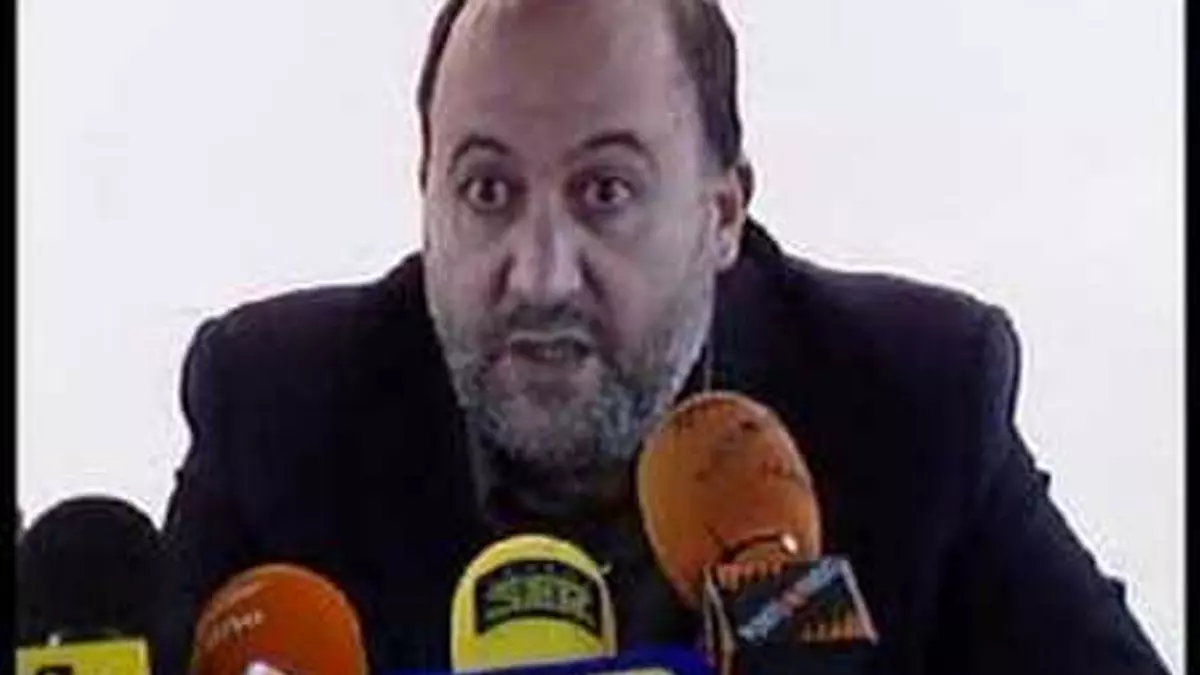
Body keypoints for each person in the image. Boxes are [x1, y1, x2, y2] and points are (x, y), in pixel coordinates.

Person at [158, 0, 1170, 673]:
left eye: (605, 191)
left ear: (721, 214)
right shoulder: (277, 410)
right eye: (488, 190)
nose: (540, 272)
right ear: (427, 196)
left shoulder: (912, 400)